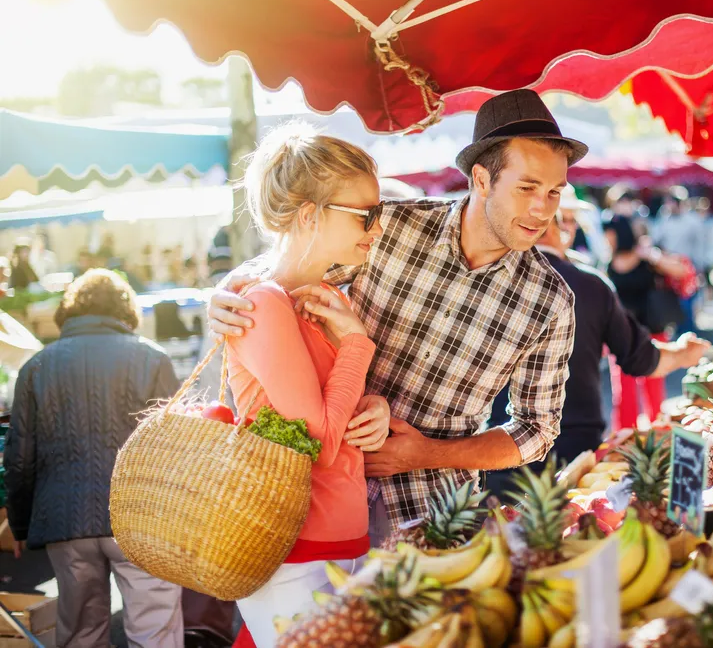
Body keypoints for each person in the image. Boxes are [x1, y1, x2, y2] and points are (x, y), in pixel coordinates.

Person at [208, 89, 583, 545]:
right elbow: (296, 262)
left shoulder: (551, 299)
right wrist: (232, 288)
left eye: (554, 192)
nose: (543, 210)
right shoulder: (389, 227)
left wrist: (428, 453)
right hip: (316, 495)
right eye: (527, 188)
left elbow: (537, 430)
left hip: (434, 515)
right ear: (482, 180)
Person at [219, 124, 392, 648]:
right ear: (310, 214)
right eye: (365, 215)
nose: (377, 229)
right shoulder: (263, 304)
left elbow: (330, 412)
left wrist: (375, 407)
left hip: (335, 539)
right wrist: (358, 348)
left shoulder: (318, 301)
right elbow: (316, 439)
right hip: (298, 547)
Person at [4, 269, 184, 648]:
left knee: (81, 634)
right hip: (140, 519)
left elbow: (19, 456)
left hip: (66, 520)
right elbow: (177, 445)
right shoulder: (152, 358)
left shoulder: (36, 367)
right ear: (126, 311)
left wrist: (18, 526)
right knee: (155, 630)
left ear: (70, 311)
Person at [487, 196, 709, 495]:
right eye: (569, 220)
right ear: (558, 225)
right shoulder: (591, 285)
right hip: (575, 456)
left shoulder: (488, 285)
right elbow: (644, 360)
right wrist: (685, 353)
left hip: (502, 454)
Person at [604, 216, 695, 430]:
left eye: (609, 234)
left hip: (652, 332)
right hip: (621, 336)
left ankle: (658, 433)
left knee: (654, 391)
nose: (606, 239)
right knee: (623, 395)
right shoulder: (608, 262)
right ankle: (626, 439)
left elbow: (682, 271)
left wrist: (652, 255)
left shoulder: (646, 257)